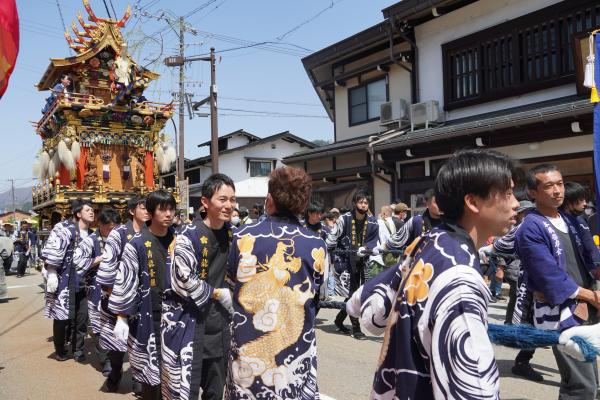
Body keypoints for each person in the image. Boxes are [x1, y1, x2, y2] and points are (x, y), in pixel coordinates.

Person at [354, 149, 519, 399]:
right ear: (472, 202)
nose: (516, 202)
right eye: (507, 194)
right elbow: (472, 387)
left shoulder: (431, 239)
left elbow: (369, 310)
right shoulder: (460, 278)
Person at [225, 166, 326, 399]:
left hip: (247, 335)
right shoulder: (316, 244)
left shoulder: (243, 236)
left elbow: (233, 284)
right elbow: (317, 291)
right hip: (297, 339)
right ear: (303, 205)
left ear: (269, 200)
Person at [516, 164, 600, 399]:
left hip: (586, 306)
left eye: (560, 184)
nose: (557, 191)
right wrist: (591, 296)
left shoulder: (571, 220)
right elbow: (548, 276)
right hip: (562, 313)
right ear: (532, 192)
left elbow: (590, 256)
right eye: (549, 186)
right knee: (580, 386)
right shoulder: (530, 227)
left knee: (591, 379)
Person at [167, 174, 236, 400]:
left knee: (216, 389)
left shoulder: (234, 234)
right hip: (189, 322)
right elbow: (182, 278)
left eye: (232, 200)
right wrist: (217, 293)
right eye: (223, 199)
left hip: (221, 324)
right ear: (205, 202)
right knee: (185, 389)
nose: (229, 206)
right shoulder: (189, 235)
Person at [96, 195, 148, 394]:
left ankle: (139, 379)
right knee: (116, 345)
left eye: (148, 208)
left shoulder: (151, 233)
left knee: (140, 342)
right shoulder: (118, 233)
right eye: (142, 208)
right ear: (132, 211)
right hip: (116, 298)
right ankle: (115, 375)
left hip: (142, 299)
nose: (146, 211)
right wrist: (117, 305)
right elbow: (107, 272)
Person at [42, 200, 95, 362]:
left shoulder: (93, 233)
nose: (92, 212)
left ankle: (78, 350)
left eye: (93, 209)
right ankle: (60, 349)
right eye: (88, 210)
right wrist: (51, 272)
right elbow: (53, 252)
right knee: (62, 318)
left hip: (85, 282)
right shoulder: (64, 229)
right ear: (78, 214)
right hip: (65, 279)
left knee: (82, 319)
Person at [73, 207, 120, 377]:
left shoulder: (123, 238)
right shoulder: (90, 241)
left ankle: (115, 358)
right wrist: (99, 259)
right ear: (101, 225)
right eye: (110, 227)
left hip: (119, 289)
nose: (113, 230)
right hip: (97, 290)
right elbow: (77, 261)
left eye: (116, 226)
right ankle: (105, 361)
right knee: (100, 327)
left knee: (118, 325)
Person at [326, 189, 379, 339]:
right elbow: (332, 237)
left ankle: (339, 319)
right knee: (353, 294)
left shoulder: (373, 222)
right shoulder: (344, 219)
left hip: (363, 261)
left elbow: (374, 240)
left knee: (356, 294)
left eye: (366, 202)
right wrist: (325, 252)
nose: (363, 204)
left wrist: (367, 248)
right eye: (361, 202)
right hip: (345, 261)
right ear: (355, 203)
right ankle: (356, 328)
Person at [376, 188, 442, 253]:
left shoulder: (450, 223)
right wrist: (381, 248)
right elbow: (397, 239)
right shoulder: (416, 221)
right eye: (436, 202)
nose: (441, 205)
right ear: (427, 204)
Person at [304, 200, 333, 299]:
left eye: (320, 214)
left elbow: (331, 244)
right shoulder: (300, 227)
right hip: (304, 265)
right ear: (309, 213)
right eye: (316, 213)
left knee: (318, 297)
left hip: (320, 267)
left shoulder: (325, 229)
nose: (319, 216)